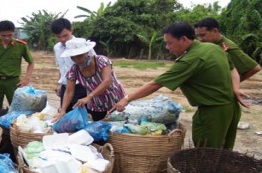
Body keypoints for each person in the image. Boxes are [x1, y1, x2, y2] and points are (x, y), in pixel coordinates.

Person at [111, 22, 241, 150]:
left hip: (213, 113)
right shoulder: (213, 48)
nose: (167, 47)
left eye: (169, 43)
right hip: (232, 107)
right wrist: (236, 89)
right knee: (224, 151)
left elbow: (155, 84)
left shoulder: (189, 60)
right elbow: (233, 69)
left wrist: (127, 98)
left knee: (206, 153)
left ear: (183, 39)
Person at [54, 37, 125, 122]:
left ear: (86, 52)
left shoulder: (102, 61)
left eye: (79, 56)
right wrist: (63, 110)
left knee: (119, 124)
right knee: (98, 127)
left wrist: (89, 96)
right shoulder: (74, 70)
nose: (77, 60)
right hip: (97, 103)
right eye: (73, 57)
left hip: (114, 98)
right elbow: (69, 91)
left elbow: (107, 81)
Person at [0, 20, 34, 115]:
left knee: (16, 109)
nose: (7, 38)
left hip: (13, 82)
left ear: (13, 33)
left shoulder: (21, 46)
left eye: (9, 35)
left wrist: (26, 78)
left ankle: (12, 128)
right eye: (3, 35)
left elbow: (31, 62)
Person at [194, 17, 261, 82]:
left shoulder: (228, 48)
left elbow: (254, 68)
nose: (200, 39)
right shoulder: (210, 44)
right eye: (197, 36)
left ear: (215, 31)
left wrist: (233, 85)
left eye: (202, 35)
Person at [51, 18, 96, 113]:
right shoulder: (57, 48)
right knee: (66, 115)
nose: (62, 39)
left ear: (71, 30)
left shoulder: (83, 45)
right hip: (65, 87)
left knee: (81, 117)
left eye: (65, 35)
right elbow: (61, 67)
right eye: (59, 37)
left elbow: (96, 65)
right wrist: (59, 84)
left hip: (81, 87)